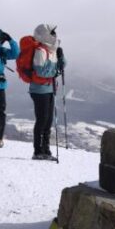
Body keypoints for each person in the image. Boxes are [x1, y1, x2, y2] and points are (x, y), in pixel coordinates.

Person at [25, 24, 66, 160]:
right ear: (46, 35)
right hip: (39, 89)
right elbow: (41, 71)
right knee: (42, 119)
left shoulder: (52, 50)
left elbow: (62, 65)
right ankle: (38, 151)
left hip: (48, 88)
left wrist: (61, 57)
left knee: (48, 120)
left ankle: (45, 150)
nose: (54, 35)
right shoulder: (41, 51)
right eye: (52, 33)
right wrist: (54, 72)